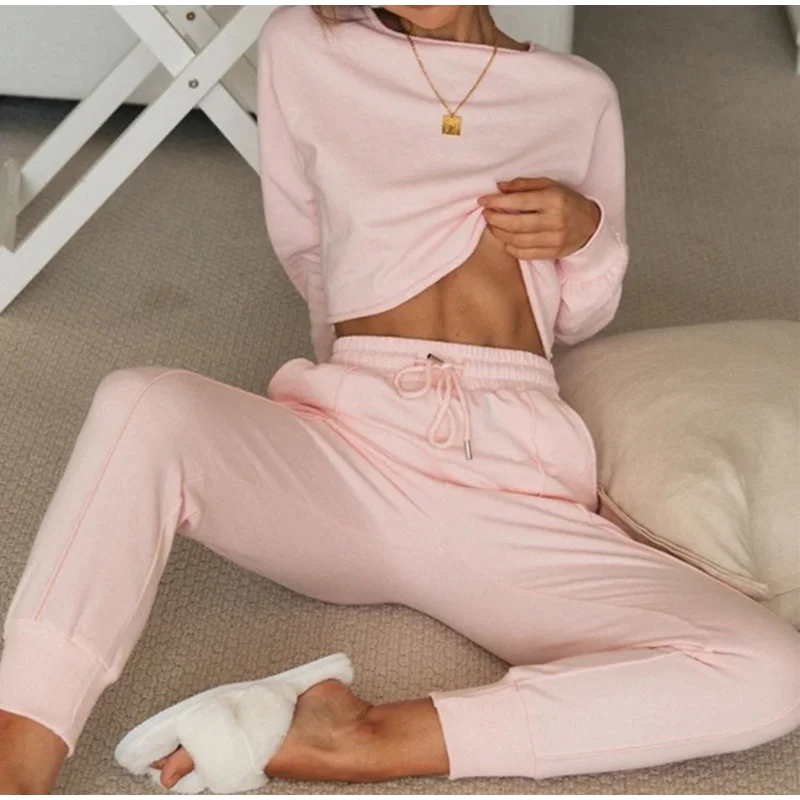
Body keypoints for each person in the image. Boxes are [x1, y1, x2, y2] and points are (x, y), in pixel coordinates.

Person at [0, 4, 798, 793]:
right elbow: (307, 245)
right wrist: (368, 366)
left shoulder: (577, 94)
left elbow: (581, 315)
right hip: (357, 448)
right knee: (145, 403)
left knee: (769, 669)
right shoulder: (306, 46)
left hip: (515, 483)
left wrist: (586, 235)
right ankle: (20, 750)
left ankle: (370, 738)